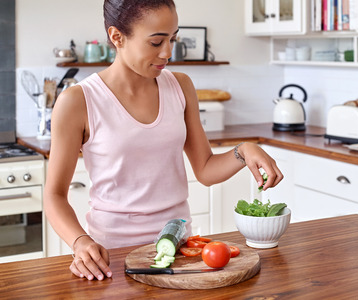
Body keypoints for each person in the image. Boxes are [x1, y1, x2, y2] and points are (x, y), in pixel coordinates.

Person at [44, 0, 283, 281]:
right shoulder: (78, 101)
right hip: (111, 255)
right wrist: (79, 242)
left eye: (172, 38)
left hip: (181, 249)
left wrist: (243, 150)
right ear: (117, 37)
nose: (168, 52)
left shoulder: (180, 86)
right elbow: (54, 195)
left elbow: (205, 169)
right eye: (156, 42)